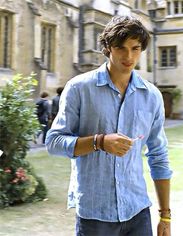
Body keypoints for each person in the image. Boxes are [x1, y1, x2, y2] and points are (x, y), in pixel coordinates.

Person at [46, 16, 172, 236]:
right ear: (107, 48)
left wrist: (165, 216)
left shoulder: (152, 96)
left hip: (138, 210)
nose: (129, 56)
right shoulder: (79, 88)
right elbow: (54, 142)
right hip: (96, 214)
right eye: (120, 48)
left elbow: (159, 155)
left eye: (135, 48)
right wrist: (99, 142)